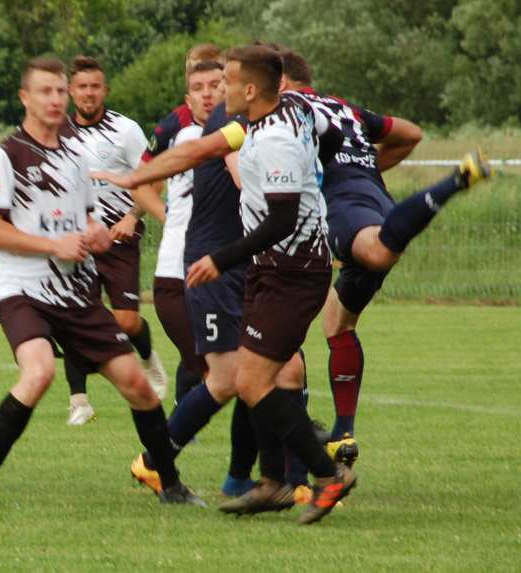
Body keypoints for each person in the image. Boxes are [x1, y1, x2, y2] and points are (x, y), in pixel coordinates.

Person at [97, 44, 355, 524]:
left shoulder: (275, 137)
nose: (221, 92)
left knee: (253, 381)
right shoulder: (283, 111)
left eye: (228, 84)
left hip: (291, 272)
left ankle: (325, 476)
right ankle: (274, 481)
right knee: (254, 379)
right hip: (271, 269)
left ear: (251, 90)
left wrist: (221, 256)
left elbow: (280, 220)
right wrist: (134, 178)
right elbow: (334, 136)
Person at [0, 57, 203, 507]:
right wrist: (54, 246)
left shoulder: (75, 152)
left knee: (138, 385)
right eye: (45, 91)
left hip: (75, 291)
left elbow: (86, 216)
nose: (56, 99)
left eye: (60, 91)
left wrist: (94, 231)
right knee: (39, 372)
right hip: (23, 289)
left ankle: (170, 486)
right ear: (25, 98)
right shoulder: (5, 154)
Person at [279, 47, 492, 453]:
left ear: (283, 82)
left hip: (342, 203)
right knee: (338, 323)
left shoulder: (288, 105)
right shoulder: (343, 107)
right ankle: (343, 435)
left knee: (376, 251)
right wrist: (368, 165)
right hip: (377, 197)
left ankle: (453, 182)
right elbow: (410, 133)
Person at [129, 61, 312, 503]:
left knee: (275, 369)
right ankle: (156, 463)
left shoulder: (255, 122)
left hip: (240, 261)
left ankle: (272, 479)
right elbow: (238, 171)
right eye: (207, 85)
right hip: (214, 263)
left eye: (221, 83)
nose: (215, 92)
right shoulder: (235, 124)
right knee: (232, 376)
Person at [60, 55, 168, 426]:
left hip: (120, 237)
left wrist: (132, 216)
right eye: (82, 87)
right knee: (74, 317)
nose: (88, 93)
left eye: (95, 86)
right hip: (77, 240)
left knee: (126, 320)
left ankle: (149, 359)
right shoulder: (57, 132)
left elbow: (155, 177)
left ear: (105, 89)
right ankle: (79, 401)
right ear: (71, 91)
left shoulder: (126, 130)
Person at [136, 43, 223, 407]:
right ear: (188, 95)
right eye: (198, 87)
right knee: (220, 371)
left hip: (228, 269)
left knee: (246, 368)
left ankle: (166, 443)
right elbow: (140, 182)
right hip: (177, 271)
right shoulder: (177, 129)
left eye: (214, 85)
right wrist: (169, 216)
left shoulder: (250, 128)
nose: (207, 94)